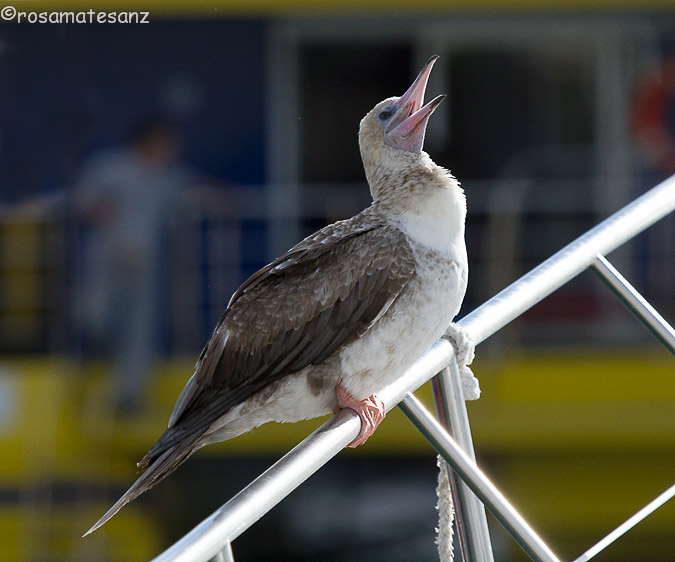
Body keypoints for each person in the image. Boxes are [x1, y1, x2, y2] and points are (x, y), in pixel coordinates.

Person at [75, 117, 192, 415]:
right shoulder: (111, 167)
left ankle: (128, 396)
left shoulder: (166, 177)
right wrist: (103, 214)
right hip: (106, 260)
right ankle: (100, 363)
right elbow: (84, 202)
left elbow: (190, 193)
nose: (170, 150)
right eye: (165, 143)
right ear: (148, 141)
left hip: (143, 265)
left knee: (140, 331)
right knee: (94, 317)